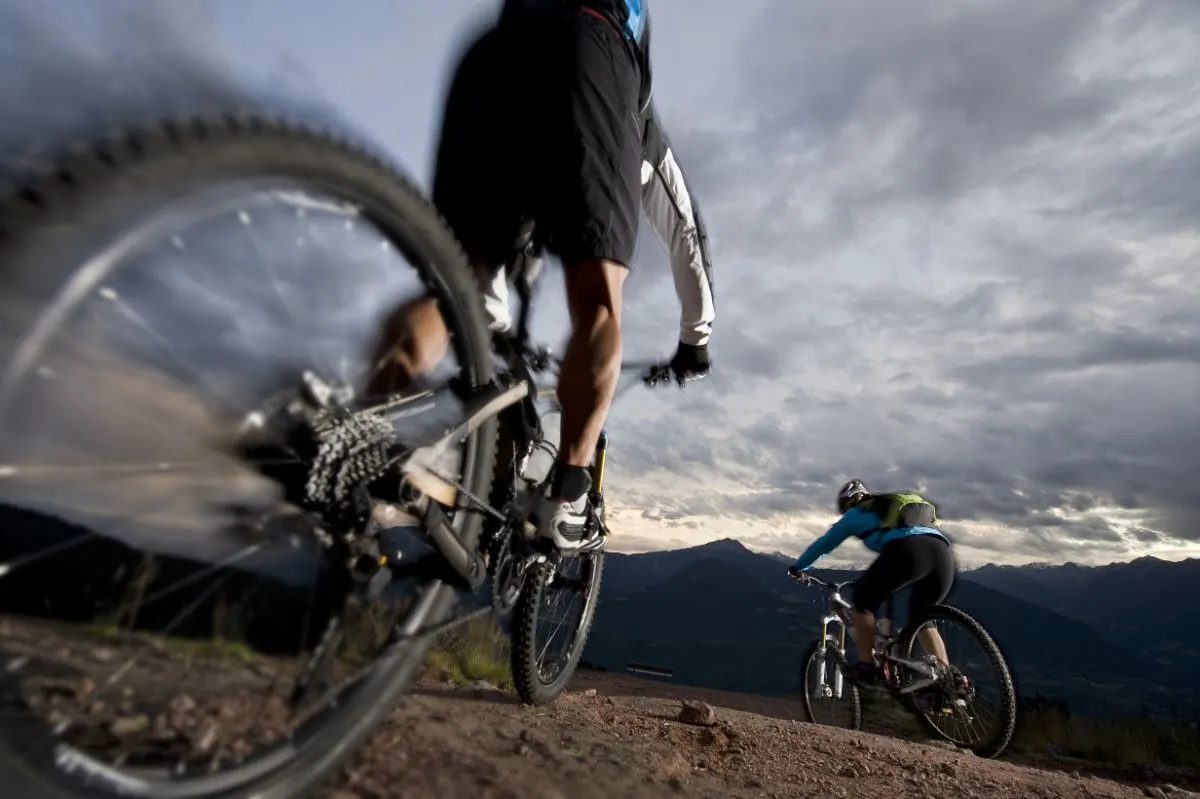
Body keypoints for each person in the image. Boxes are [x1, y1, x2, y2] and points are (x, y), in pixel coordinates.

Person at [373, 1, 710, 552]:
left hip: (493, 54)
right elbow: (688, 240)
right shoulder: (644, 128)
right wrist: (695, 342)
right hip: (590, 51)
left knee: (458, 289)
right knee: (598, 303)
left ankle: (365, 441)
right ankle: (566, 495)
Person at [787, 479, 956, 687]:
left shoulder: (857, 513)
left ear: (849, 503)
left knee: (862, 601)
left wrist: (799, 567)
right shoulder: (896, 506)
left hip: (908, 551)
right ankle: (947, 681)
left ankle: (866, 667)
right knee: (923, 616)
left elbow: (824, 544)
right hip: (943, 555)